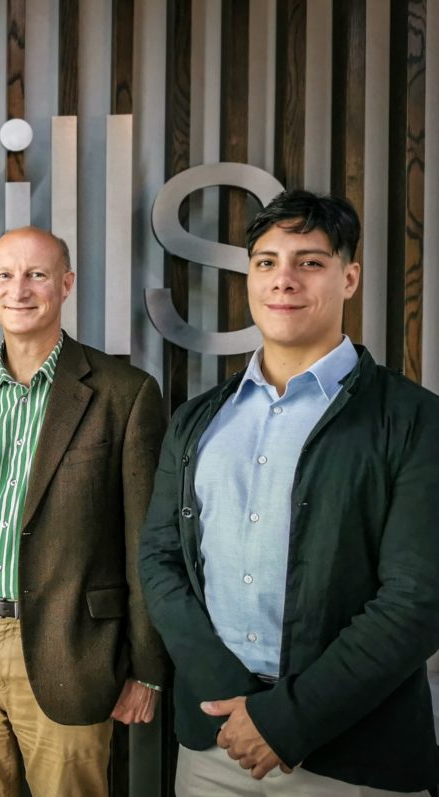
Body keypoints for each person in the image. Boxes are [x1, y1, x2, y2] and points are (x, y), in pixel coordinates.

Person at [139, 190, 439, 795]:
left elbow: (418, 599)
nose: (284, 280)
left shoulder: (414, 419)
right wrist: (231, 701)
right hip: (214, 744)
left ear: (349, 278)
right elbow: (160, 561)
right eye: (267, 262)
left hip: (352, 755)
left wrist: (283, 719)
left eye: (310, 262)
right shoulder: (197, 419)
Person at [0, 226, 168, 796]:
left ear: (65, 285)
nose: (19, 289)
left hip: (72, 649)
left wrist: (147, 668)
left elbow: (147, 545)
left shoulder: (125, 395)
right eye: (5, 275)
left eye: (37, 275)